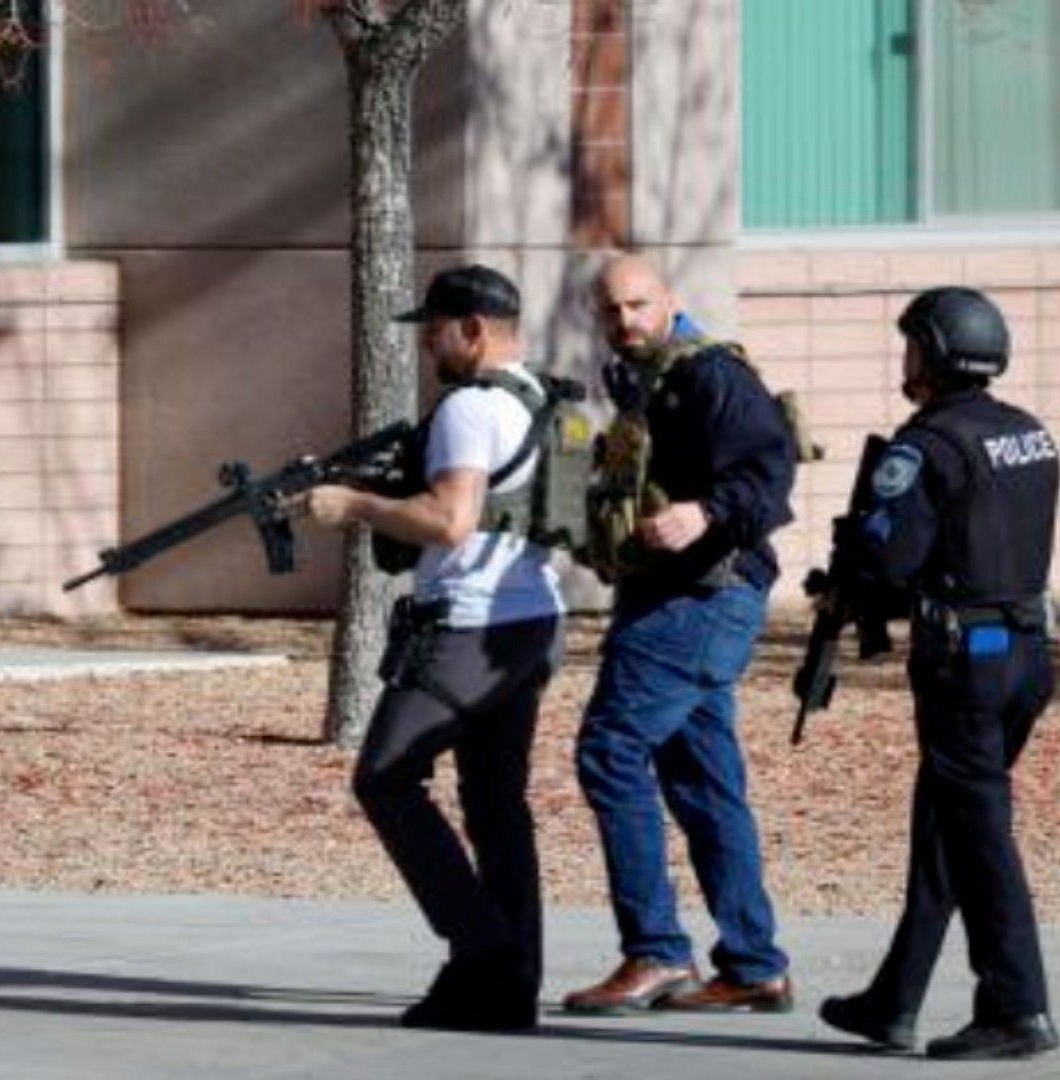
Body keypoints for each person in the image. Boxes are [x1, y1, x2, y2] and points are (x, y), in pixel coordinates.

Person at [300, 264, 565, 1031]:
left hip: (469, 625)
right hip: (531, 622)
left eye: (436, 331)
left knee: (385, 778)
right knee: (495, 803)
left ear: (474, 330)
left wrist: (354, 504)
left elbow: (450, 520)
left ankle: (484, 953)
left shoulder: (470, 408)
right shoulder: (540, 399)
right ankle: (509, 987)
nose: (428, 348)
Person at [816, 287, 1060, 1060]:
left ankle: (1015, 1008)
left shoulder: (923, 446)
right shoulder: (1028, 434)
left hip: (967, 667)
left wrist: (851, 573)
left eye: (912, 344)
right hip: (1027, 655)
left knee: (980, 835)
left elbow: (892, 560)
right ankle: (895, 1000)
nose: (906, 358)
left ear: (936, 351)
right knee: (948, 828)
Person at [561, 253, 796, 1015]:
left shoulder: (712, 375)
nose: (625, 322)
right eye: (611, 311)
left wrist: (705, 512)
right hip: (672, 595)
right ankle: (754, 965)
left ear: (668, 300)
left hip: (700, 597)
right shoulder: (640, 376)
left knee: (610, 749)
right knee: (702, 780)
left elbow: (768, 470)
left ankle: (656, 953)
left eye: (638, 306)